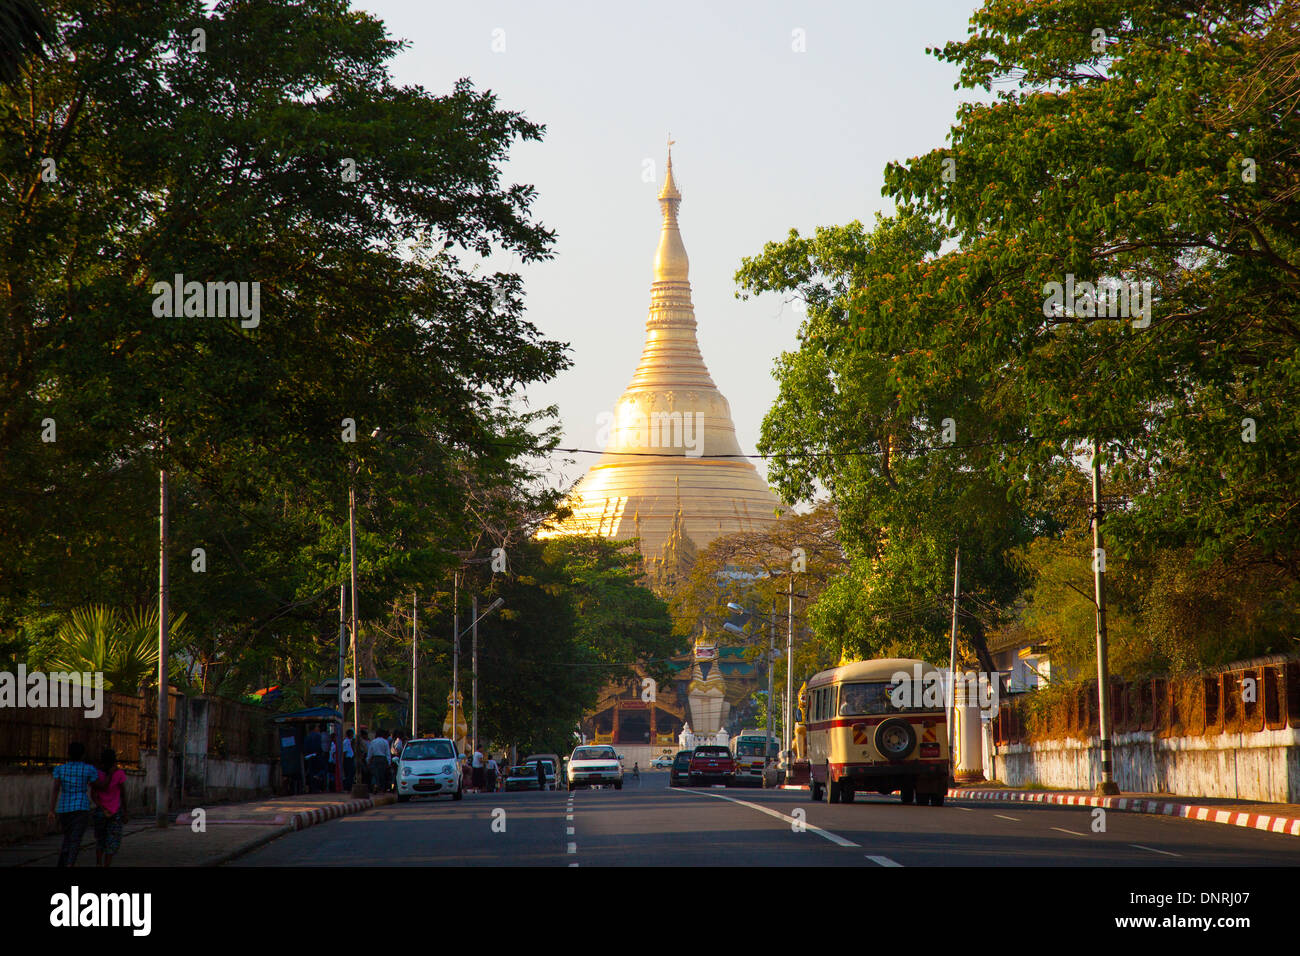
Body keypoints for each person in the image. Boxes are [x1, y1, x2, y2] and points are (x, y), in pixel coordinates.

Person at [48, 742, 99, 867]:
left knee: (67, 837)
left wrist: (51, 810)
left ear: (68, 754)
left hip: (64, 807)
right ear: (83, 755)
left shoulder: (60, 769)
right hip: (81, 807)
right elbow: (96, 785)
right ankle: (69, 863)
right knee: (75, 839)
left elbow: (55, 789)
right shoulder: (88, 769)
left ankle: (64, 862)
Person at [90, 748, 126, 867]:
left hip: (101, 811)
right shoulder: (119, 774)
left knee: (100, 839)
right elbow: (123, 793)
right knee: (112, 841)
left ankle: (98, 862)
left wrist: (102, 807)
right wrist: (126, 811)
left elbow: (93, 795)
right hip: (115, 812)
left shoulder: (97, 774)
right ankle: (106, 864)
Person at [367, 728, 390, 794]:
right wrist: (389, 762)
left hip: (375, 759)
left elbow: (370, 752)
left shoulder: (373, 742)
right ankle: (381, 790)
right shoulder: (385, 742)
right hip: (383, 759)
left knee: (375, 774)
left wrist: (368, 760)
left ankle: (375, 785)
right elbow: (387, 753)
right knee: (382, 774)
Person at [303, 723, 323, 792]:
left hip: (308, 756)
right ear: (314, 728)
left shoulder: (307, 736)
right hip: (316, 755)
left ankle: (312, 788)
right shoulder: (318, 735)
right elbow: (319, 746)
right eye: (317, 727)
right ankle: (317, 787)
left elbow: (305, 747)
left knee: (311, 771)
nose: (318, 728)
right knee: (321, 770)